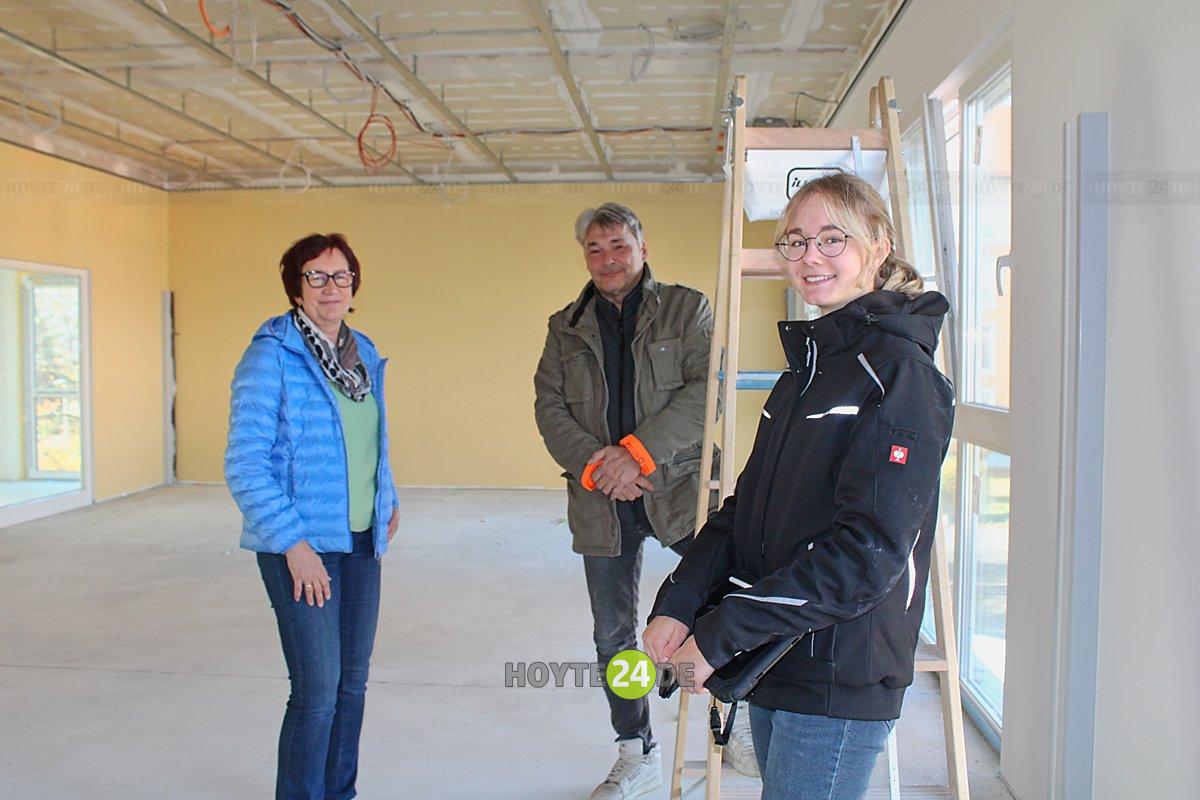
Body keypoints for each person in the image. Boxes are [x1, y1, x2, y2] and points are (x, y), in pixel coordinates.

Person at [643, 172, 955, 800]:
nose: (810, 257)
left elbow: (866, 555)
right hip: (775, 653)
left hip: (840, 670)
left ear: (879, 244)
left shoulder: (901, 376)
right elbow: (744, 510)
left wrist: (721, 633)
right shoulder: (808, 372)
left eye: (831, 239)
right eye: (794, 241)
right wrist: (680, 600)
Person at [534, 203, 744, 799]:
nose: (608, 259)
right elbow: (549, 408)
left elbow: (709, 392)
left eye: (618, 245)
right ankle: (637, 752)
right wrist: (604, 467)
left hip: (677, 488)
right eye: (595, 249)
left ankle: (742, 717)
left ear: (642, 249)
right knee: (613, 637)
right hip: (604, 501)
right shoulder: (564, 326)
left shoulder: (687, 308)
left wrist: (637, 453)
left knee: (727, 602)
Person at [225, 232, 399, 800]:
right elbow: (246, 463)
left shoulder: (364, 353)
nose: (330, 288)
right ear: (295, 287)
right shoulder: (270, 355)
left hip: (360, 541)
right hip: (301, 546)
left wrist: (386, 498)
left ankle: (339, 794)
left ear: (354, 285)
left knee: (352, 685)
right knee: (318, 690)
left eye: (341, 276)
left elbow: (371, 440)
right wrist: (293, 546)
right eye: (316, 277)